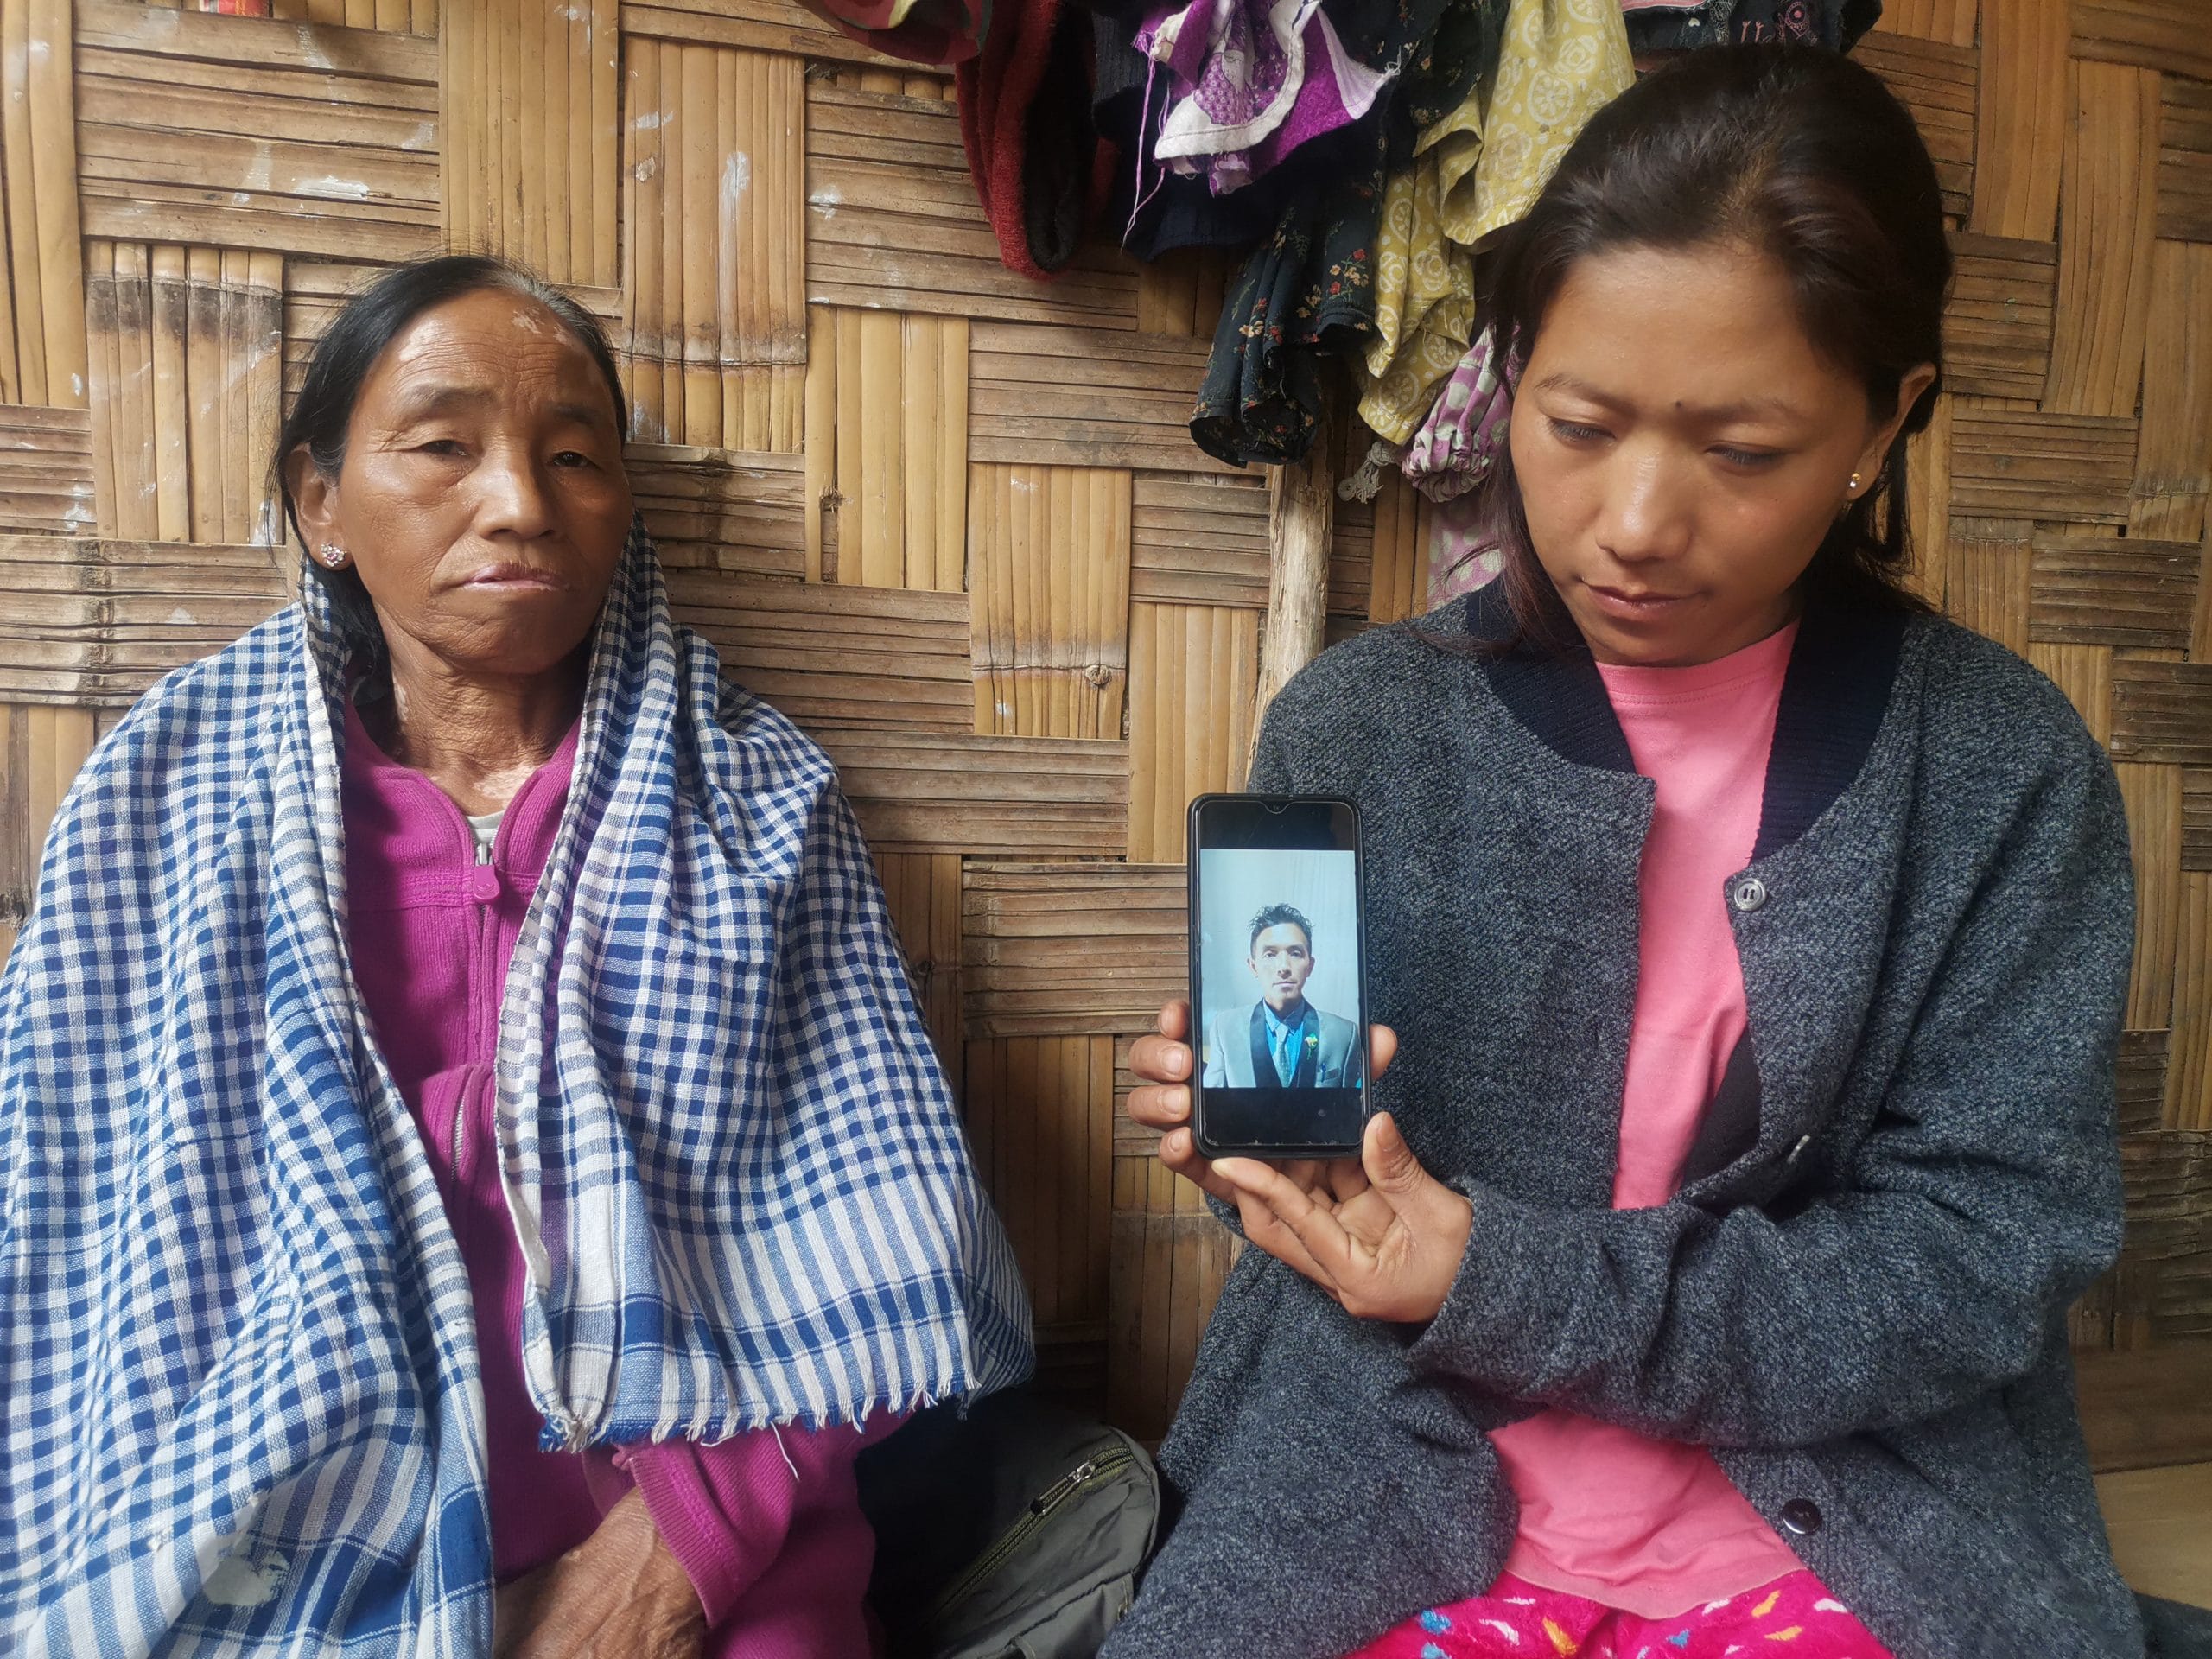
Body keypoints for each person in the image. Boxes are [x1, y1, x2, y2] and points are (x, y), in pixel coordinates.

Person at [1109, 45, 2173, 1659]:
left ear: (1884, 426)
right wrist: (1270, 1163)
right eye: (1580, 421)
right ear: (1510, 369)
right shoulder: (1362, 730)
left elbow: (1976, 1266)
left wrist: (1503, 1279)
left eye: (1742, 451)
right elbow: (1354, 1224)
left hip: (1841, 1509)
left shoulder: (2003, 776)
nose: (1634, 522)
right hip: (1385, 1487)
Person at [0, 255, 1031, 1656]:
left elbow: (866, 1245)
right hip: (302, 1558)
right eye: (443, 446)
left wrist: (672, 1558)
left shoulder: (756, 808)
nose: (521, 505)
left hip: (716, 1570)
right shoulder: (166, 809)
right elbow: (72, 1259)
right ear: (323, 504)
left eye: (573, 459)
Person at [1202, 904, 1361, 1088]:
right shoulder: (1225, 1029)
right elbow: (1214, 1106)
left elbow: (1349, 1109)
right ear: (1253, 966)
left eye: (1295, 953)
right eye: (1270, 954)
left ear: (1310, 965)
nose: (1283, 967)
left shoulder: (1344, 1035)